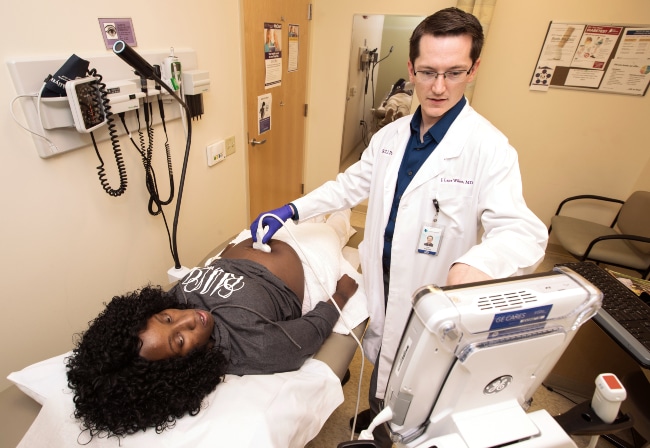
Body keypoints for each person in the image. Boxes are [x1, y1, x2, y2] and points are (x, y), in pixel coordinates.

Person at [250, 7, 548, 446]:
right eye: (427, 72)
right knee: (382, 359)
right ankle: (377, 414)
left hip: (431, 293)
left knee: (419, 385)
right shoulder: (389, 138)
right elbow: (350, 184)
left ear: (474, 69)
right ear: (411, 68)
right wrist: (293, 210)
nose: (439, 87)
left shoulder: (488, 149)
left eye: (454, 72)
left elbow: (522, 232)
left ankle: (393, 432)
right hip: (382, 284)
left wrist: (480, 263)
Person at [66, 235, 357, 439]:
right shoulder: (255, 345)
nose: (188, 319)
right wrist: (343, 292)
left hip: (252, 237)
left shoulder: (172, 302)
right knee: (337, 216)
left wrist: (232, 248)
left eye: (166, 319)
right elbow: (312, 330)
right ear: (181, 369)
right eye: (179, 341)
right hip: (309, 253)